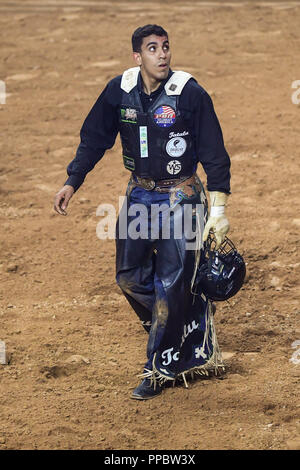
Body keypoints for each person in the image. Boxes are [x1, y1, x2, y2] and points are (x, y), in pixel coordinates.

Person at [54, 24, 231, 400]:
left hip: (182, 198)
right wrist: (73, 180)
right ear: (138, 57)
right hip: (139, 196)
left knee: (169, 283)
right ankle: (188, 316)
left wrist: (218, 210)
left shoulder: (189, 93)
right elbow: (94, 138)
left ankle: (160, 366)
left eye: (166, 47)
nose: (163, 54)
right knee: (129, 277)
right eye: (153, 49)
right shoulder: (120, 90)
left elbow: (215, 155)